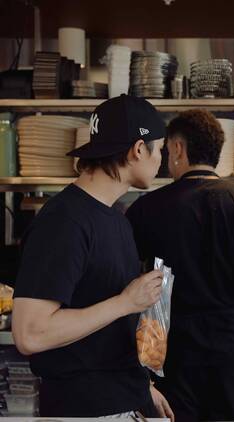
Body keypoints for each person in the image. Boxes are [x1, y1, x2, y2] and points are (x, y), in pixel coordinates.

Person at [11, 94, 173, 419]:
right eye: (160, 149)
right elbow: (30, 333)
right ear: (138, 149)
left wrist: (142, 387)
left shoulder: (116, 218)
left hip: (123, 400)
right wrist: (126, 302)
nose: (162, 161)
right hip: (83, 409)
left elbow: (107, 330)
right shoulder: (64, 221)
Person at [126, 109, 234, 422]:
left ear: (178, 148)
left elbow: (127, 286)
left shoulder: (145, 209)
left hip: (172, 354)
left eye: (167, 150)